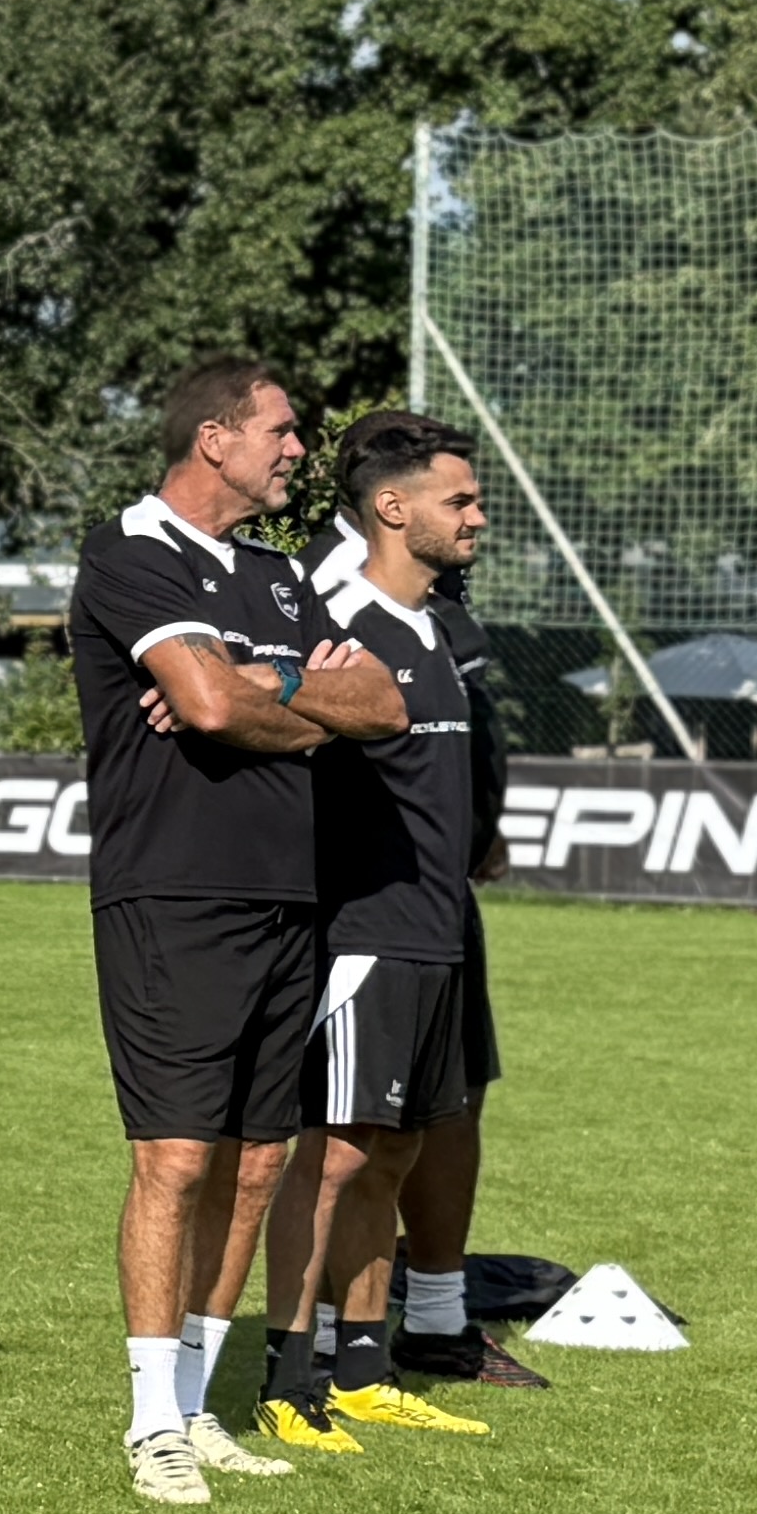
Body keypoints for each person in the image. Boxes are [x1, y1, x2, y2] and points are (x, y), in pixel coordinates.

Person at [67, 359, 403, 1509]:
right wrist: (275, 695)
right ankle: (152, 1420)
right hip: (174, 893)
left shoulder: (275, 574)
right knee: (175, 1158)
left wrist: (268, 677)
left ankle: (199, 1405)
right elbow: (207, 709)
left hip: (290, 898)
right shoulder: (129, 552)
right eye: (282, 430)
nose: (299, 449)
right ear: (214, 438)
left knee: (260, 1162)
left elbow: (384, 706)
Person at [293, 417, 521, 1422]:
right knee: (336, 1152)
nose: (478, 517)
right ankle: (289, 1373)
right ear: (393, 506)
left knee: (397, 1145)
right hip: (365, 929)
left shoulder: (433, 619)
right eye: (459, 500)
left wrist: (482, 826)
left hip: (438, 918)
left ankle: (366, 1367)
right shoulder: (335, 609)